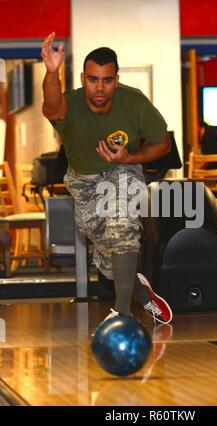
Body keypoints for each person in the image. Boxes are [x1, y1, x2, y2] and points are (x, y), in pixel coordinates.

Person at [41, 32, 173, 324]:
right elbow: (51, 106)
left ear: (116, 78)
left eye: (107, 80)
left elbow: (163, 144)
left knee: (121, 226)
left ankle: (122, 313)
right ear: (82, 78)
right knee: (108, 251)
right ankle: (139, 291)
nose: (99, 87)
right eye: (92, 79)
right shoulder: (70, 105)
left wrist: (130, 158)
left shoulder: (134, 103)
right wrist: (51, 72)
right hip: (83, 182)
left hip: (121, 170)